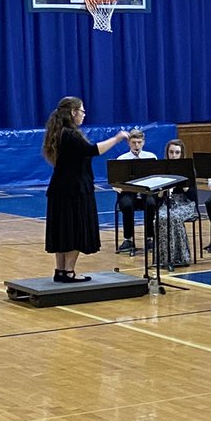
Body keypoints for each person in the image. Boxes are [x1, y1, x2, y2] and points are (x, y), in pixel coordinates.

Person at [42, 97, 130, 282]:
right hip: (75, 189)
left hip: (60, 188)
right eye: (81, 111)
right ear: (73, 112)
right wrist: (117, 138)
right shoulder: (71, 135)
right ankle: (69, 271)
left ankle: (61, 270)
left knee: (63, 229)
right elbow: (92, 150)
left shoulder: (59, 133)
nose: (84, 115)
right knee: (75, 229)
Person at [154, 139, 198, 268]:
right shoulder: (161, 170)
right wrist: (162, 191)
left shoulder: (188, 170)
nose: (174, 155)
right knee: (161, 217)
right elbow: (157, 199)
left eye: (177, 152)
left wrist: (185, 186)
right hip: (167, 202)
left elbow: (193, 197)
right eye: (171, 152)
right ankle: (164, 258)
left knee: (174, 217)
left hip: (184, 203)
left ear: (182, 154)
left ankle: (180, 257)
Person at [115, 128, 157, 254]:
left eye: (139, 142)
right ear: (129, 143)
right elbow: (116, 182)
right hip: (128, 192)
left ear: (143, 142)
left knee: (151, 204)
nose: (136, 145)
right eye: (133, 142)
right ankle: (128, 239)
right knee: (127, 205)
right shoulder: (121, 159)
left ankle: (150, 238)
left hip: (145, 191)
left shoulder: (151, 157)